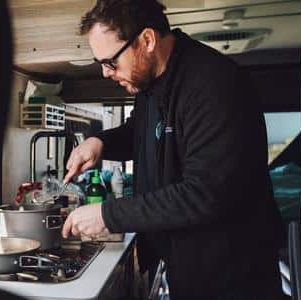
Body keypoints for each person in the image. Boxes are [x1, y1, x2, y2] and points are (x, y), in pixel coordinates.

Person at [60, 0, 286, 299]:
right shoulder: (150, 84)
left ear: (148, 40)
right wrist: (100, 142)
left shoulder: (212, 83)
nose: (105, 73)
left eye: (110, 62)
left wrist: (108, 214)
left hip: (232, 274)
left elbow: (204, 193)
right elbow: (139, 133)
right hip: (187, 265)